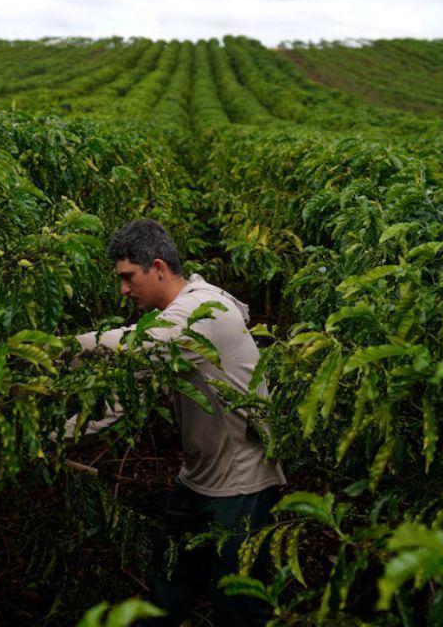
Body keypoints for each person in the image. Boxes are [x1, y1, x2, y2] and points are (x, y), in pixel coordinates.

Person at [60, 218, 285, 627]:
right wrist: (49, 439)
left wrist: (42, 352)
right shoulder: (171, 327)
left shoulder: (202, 311)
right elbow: (119, 402)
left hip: (242, 487)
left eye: (128, 277)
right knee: (166, 590)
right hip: (196, 480)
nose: (123, 290)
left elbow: (131, 346)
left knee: (239, 607)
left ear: (159, 268)